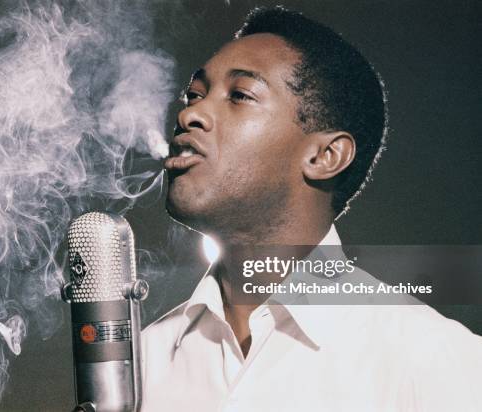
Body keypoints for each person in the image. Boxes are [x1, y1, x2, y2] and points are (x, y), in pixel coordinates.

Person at [141, 5, 482, 412]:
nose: (189, 114)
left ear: (325, 156)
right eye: (193, 95)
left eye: (241, 95)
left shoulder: (431, 359)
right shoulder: (144, 362)